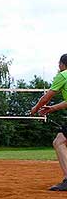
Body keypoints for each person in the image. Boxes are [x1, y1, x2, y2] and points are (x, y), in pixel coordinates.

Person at [31, 54, 67, 191]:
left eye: (59, 64)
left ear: (62, 64)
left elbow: (46, 97)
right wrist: (52, 109)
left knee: (59, 141)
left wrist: (36, 108)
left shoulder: (63, 75)